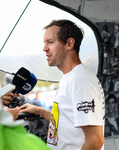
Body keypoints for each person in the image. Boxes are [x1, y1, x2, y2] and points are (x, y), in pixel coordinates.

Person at [2, 20, 105, 150]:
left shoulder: (79, 80)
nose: (44, 48)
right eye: (44, 43)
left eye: (50, 42)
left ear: (69, 44)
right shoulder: (69, 77)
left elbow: (95, 140)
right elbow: (68, 120)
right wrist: (40, 111)